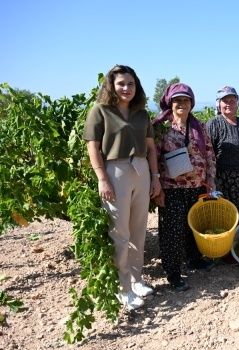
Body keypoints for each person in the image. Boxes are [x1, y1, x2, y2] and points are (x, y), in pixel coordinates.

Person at [83, 64, 161, 310]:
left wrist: (156, 176)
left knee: (139, 229)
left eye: (130, 84)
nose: (126, 88)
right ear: (111, 86)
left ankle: (137, 280)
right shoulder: (100, 111)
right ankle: (122, 286)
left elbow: (150, 148)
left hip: (141, 170)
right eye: (121, 84)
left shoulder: (141, 113)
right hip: (115, 170)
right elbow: (92, 146)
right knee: (120, 231)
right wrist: (102, 178)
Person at [152, 83, 217, 291]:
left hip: (197, 186)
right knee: (172, 230)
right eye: (177, 100)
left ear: (192, 103)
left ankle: (194, 259)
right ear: (170, 104)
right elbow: (152, 157)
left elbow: (209, 154)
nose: (182, 104)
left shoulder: (199, 127)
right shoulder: (161, 128)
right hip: (172, 188)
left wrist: (211, 180)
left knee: (193, 226)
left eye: (186, 100)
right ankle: (173, 273)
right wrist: (157, 188)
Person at [206, 86, 239, 223]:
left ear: (237, 103)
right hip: (224, 181)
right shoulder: (214, 124)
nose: (229, 104)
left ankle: (237, 244)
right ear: (219, 104)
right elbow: (207, 154)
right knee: (224, 219)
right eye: (225, 101)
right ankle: (224, 245)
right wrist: (211, 181)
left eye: (232, 100)